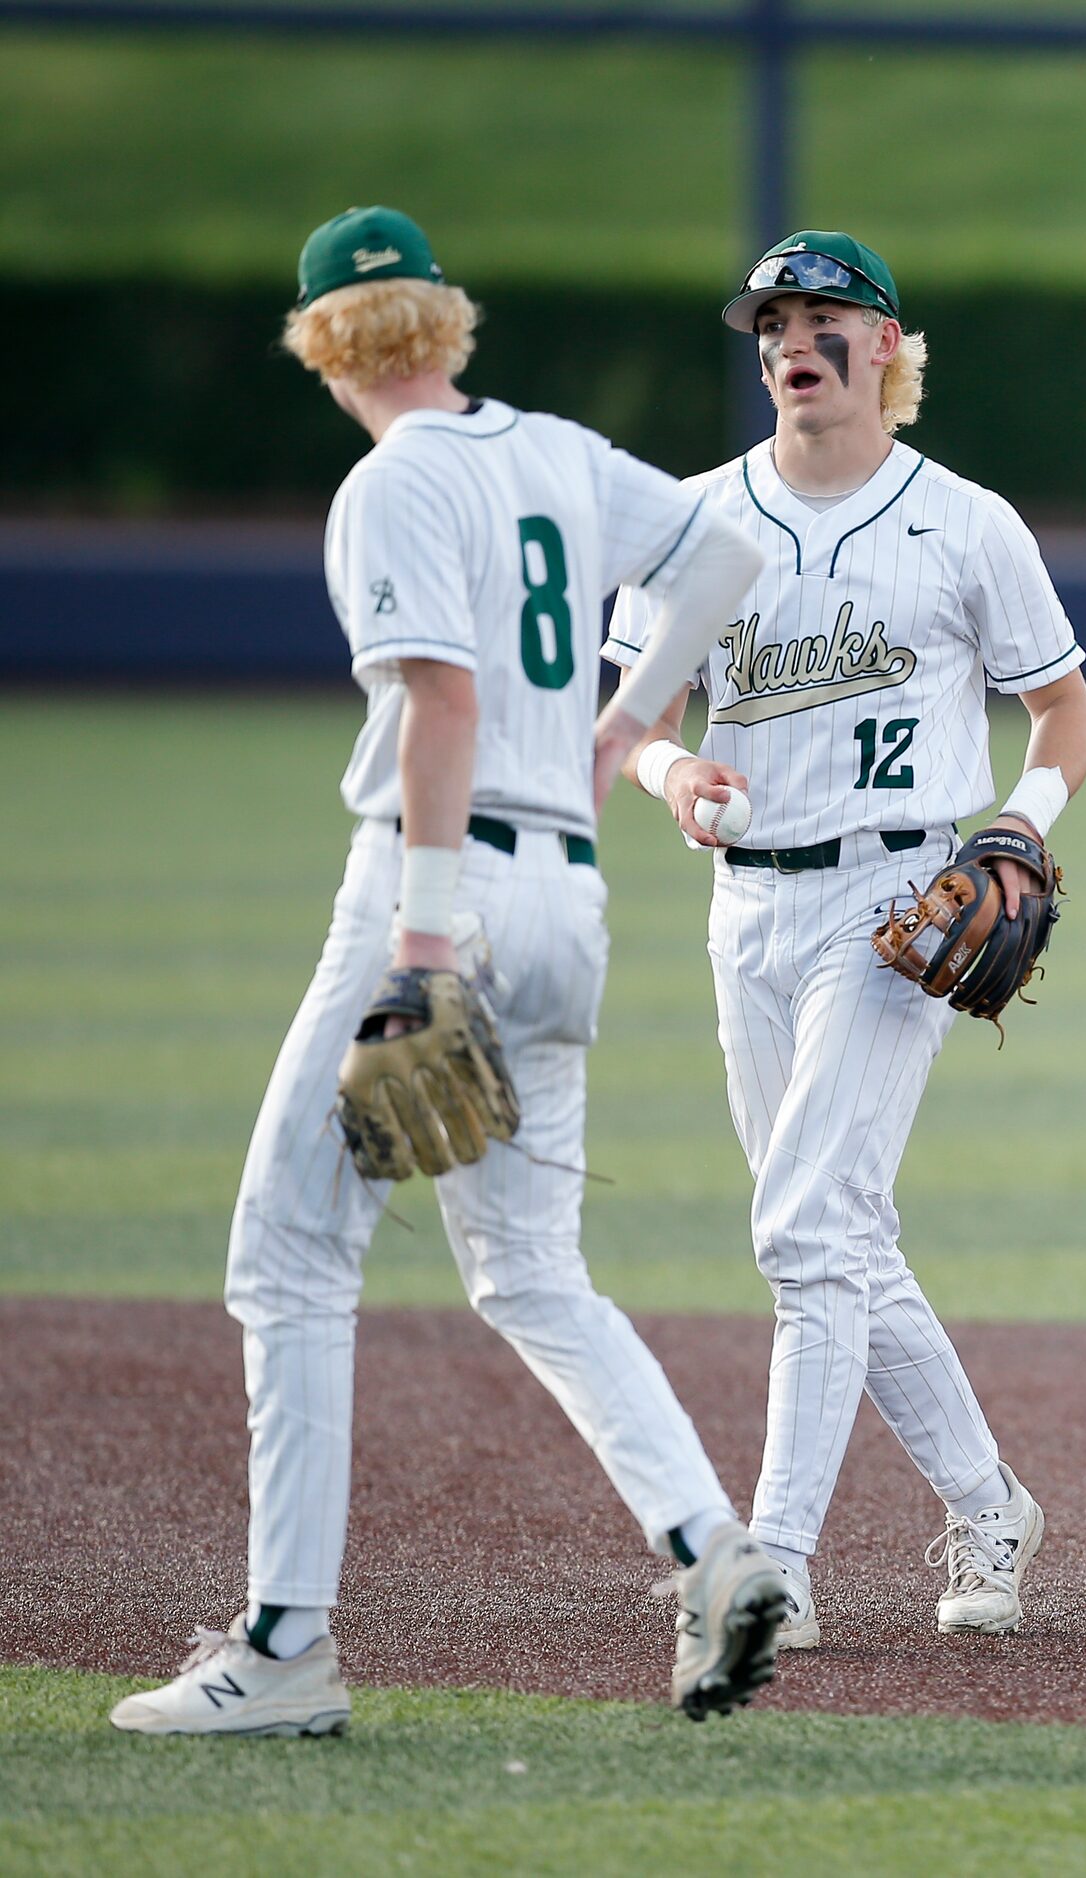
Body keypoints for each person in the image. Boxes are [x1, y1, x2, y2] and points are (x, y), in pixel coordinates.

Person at [111, 208, 787, 1736]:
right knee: (535, 1269)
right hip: (567, 894)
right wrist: (624, 725)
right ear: (447, 322)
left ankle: (284, 1646)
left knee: (288, 1257)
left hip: (446, 891)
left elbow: (439, 696)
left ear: (322, 344)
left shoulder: (390, 482)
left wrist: (417, 945)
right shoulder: (549, 448)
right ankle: (717, 1549)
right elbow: (726, 548)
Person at [602, 231, 1086, 1644]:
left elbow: (1064, 710)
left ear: (889, 344)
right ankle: (988, 1501)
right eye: (771, 321)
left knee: (804, 1227)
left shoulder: (965, 520)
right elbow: (632, 716)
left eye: (822, 315)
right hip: (746, 906)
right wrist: (668, 775)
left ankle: (773, 1563)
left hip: (897, 911)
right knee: (836, 1235)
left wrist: (1017, 820)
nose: (790, 340)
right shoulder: (700, 521)